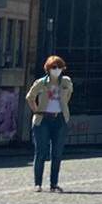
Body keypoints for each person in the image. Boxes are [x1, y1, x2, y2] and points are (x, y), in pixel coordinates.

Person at [26, 55, 73, 192]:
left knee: (57, 153)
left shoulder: (66, 82)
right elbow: (30, 97)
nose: (57, 70)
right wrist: (36, 110)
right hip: (43, 119)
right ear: (48, 69)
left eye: (59, 67)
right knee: (41, 152)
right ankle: (38, 183)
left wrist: (63, 110)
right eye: (54, 67)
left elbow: (68, 95)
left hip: (60, 119)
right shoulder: (41, 82)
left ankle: (54, 184)